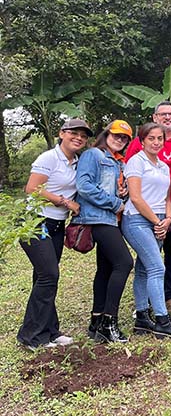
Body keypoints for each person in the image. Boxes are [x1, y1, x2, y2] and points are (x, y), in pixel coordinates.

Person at [18, 119, 91, 350]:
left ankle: (50, 330)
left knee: (43, 277)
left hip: (57, 225)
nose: (78, 137)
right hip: (35, 222)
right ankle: (31, 336)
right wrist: (64, 202)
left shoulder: (77, 163)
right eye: (73, 133)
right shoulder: (49, 157)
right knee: (49, 274)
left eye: (83, 135)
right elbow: (32, 188)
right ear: (62, 133)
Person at [125, 101, 171, 310]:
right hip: (144, 213)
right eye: (162, 114)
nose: (167, 117)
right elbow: (133, 188)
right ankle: (156, 313)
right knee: (154, 265)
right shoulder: (138, 154)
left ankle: (167, 295)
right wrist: (158, 222)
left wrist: (168, 218)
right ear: (155, 118)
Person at [73, 120, 135, 343]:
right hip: (98, 218)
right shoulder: (94, 155)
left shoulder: (119, 162)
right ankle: (110, 322)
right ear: (106, 134)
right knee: (125, 263)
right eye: (116, 135)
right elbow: (84, 185)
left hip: (112, 219)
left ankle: (96, 321)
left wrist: (122, 196)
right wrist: (114, 203)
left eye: (124, 138)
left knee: (106, 268)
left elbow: (116, 191)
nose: (119, 140)